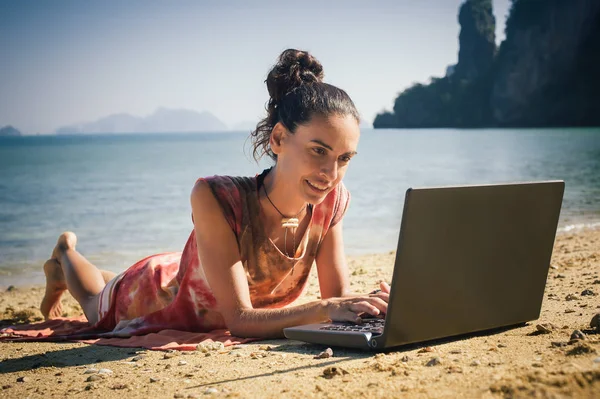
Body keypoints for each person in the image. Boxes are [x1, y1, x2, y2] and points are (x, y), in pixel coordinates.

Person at [40, 49, 390, 338]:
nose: (331, 174)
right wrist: (323, 308)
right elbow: (239, 320)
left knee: (105, 282)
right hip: (153, 296)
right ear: (279, 139)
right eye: (318, 151)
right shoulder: (217, 196)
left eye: (344, 159)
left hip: (193, 269)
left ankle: (81, 266)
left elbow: (337, 300)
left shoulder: (332, 201)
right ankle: (65, 253)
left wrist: (375, 304)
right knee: (92, 300)